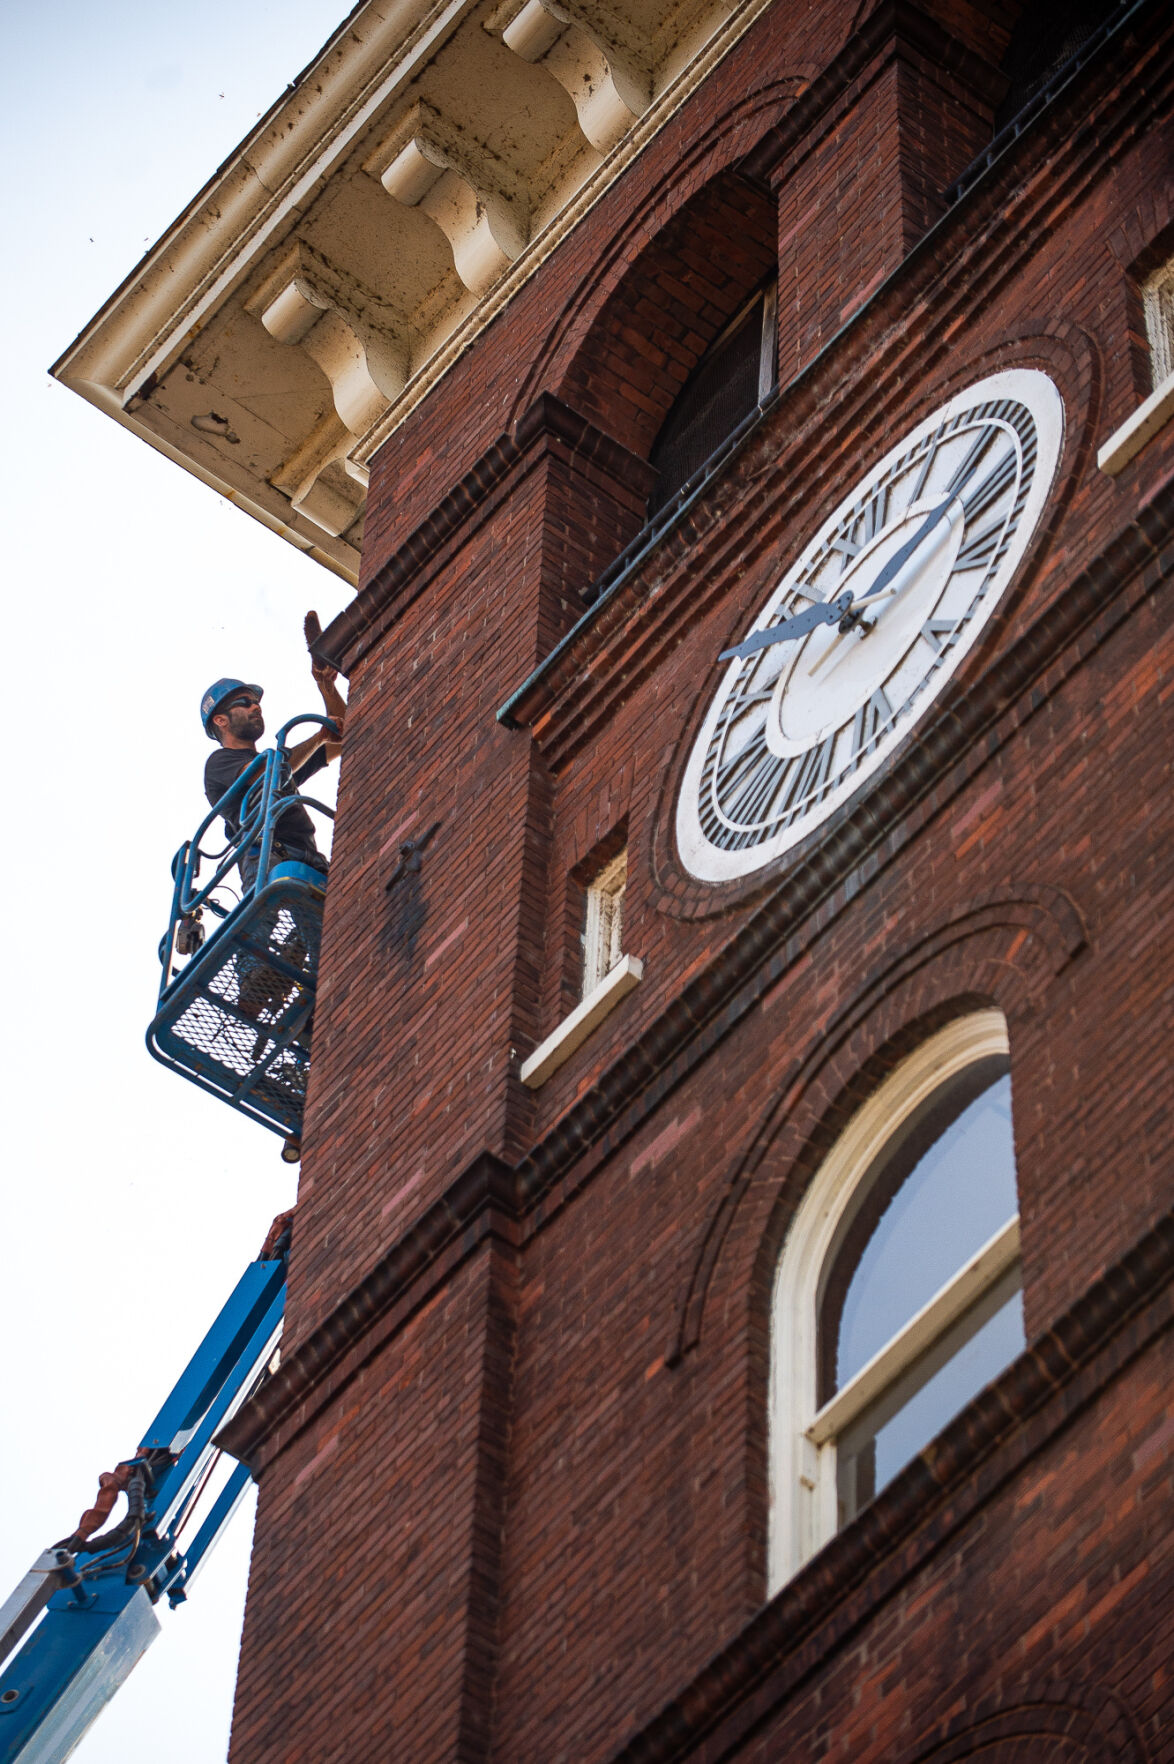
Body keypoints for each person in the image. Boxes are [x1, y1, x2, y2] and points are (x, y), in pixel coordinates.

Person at [200, 639, 346, 895]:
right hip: (267, 854)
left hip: (309, 856)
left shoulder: (282, 762)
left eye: (256, 702)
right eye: (244, 702)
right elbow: (266, 774)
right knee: (267, 917)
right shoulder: (219, 763)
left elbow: (343, 736)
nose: (256, 706)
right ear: (221, 719)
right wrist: (319, 736)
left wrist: (326, 686)